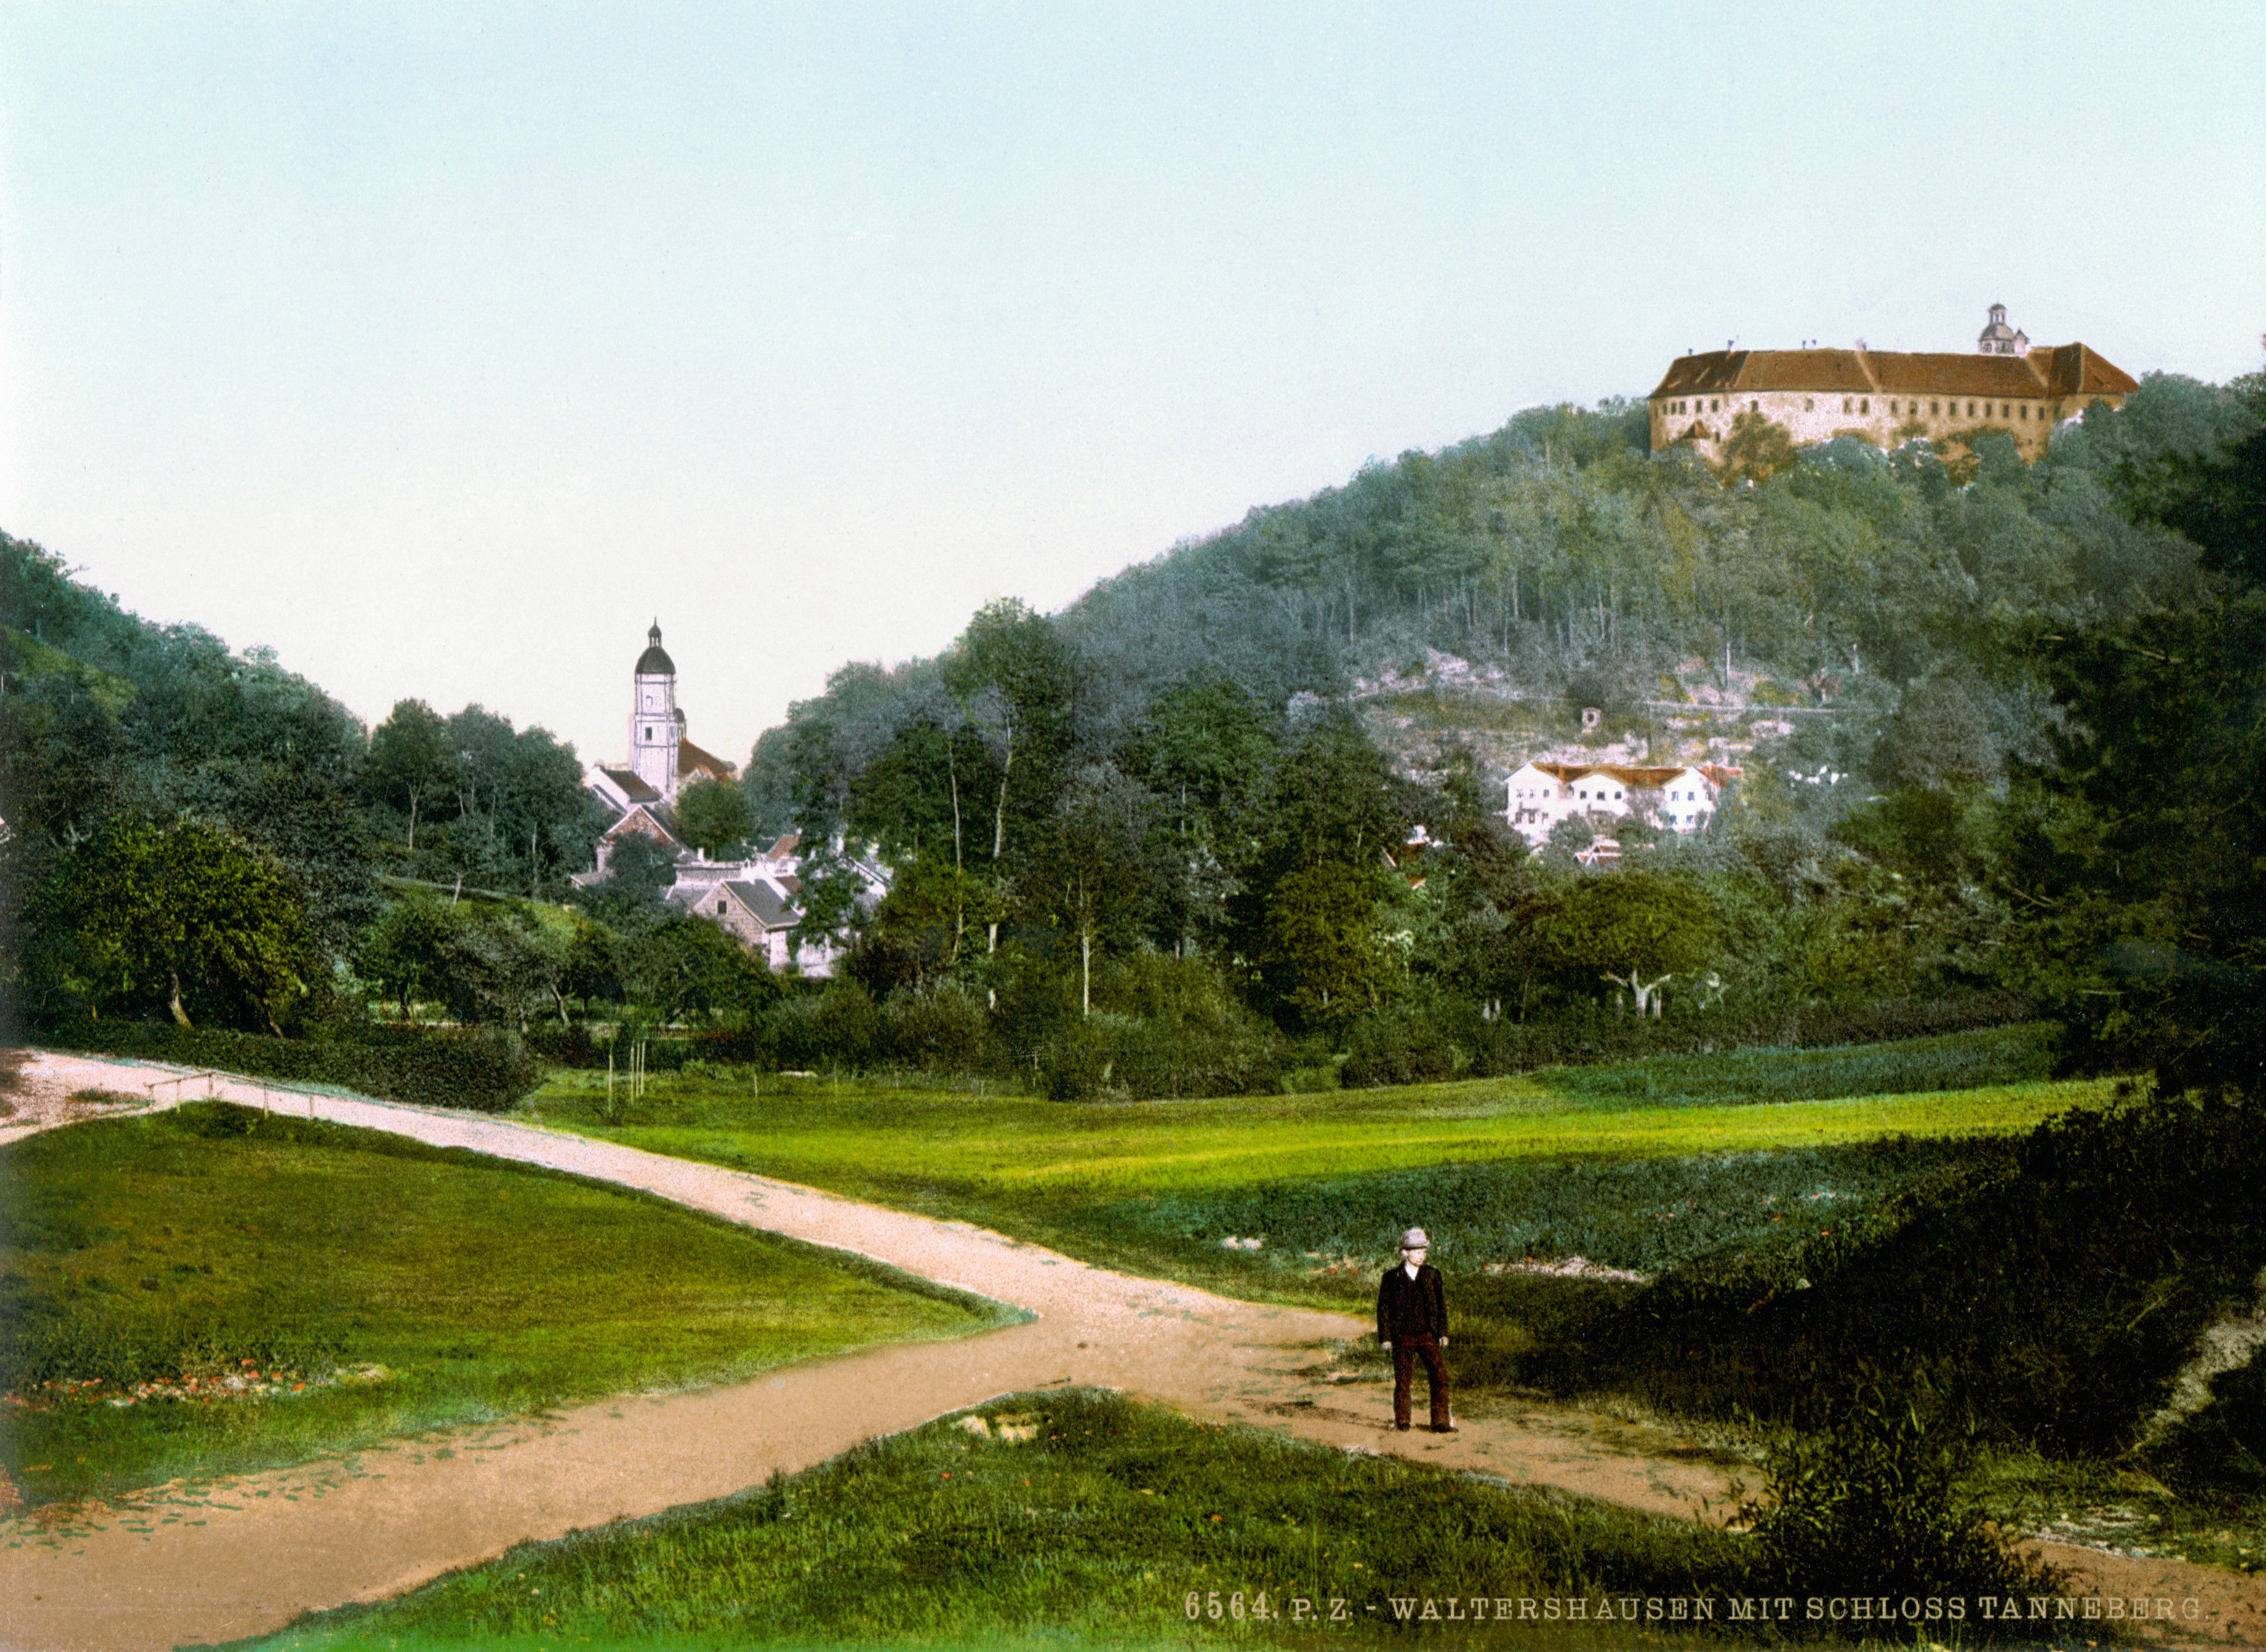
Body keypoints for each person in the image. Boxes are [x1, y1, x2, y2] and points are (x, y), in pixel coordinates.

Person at [1376, 1227, 1453, 1433]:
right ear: (1404, 1252)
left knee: (1439, 1376)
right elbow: (1383, 1309)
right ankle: (1403, 1421)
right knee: (1403, 1381)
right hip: (1402, 1337)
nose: (1422, 1256)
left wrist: (1443, 1333)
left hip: (1428, 1336)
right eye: (1418, 1251)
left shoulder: (1432, 1275)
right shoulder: (1391, 1278)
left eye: (1424, 1251)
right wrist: (1386, 1338)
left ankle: (1441, 1421)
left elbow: (1441, 1306)